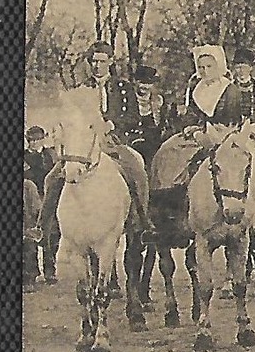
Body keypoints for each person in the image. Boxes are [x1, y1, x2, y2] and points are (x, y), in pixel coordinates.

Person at [40, 41, 157, 258]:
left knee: (136, 170)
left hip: (114, 142)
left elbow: (133, 117)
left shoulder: (124, 88)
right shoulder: (80, 89)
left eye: (102, 62)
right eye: (93, 61)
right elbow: (70, 117)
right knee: (52, 177)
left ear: (110, 62)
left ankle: (142, 222)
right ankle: (42, 227)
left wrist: (111, 124)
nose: (97, 66)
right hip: (84, 144)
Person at [150, 45, 233, 191]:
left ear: (218, 65)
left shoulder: (229, 89)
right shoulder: (197, 88)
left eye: (209, 66)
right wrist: (192, 128)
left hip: (223, 132)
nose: (205, 71)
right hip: (198, 131)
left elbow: (232, 118)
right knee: (166, 150)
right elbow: (191, 114)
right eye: (201, 67)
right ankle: (167, 193)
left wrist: (210, 131)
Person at [23, 125, 60, 283]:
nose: (35, 143)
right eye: (31, 140)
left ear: (43, 139)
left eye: (38, 140)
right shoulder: (23, 157)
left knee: (52, 236)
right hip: (30, 199)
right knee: (31, 235)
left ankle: (50, 270)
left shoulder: (50, 155)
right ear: (28, 141)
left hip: (49, 199)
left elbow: (57, 174)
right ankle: (31, 273)